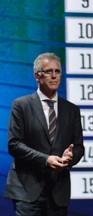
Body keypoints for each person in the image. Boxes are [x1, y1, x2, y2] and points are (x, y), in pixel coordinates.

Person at [4, 53, 84, 216]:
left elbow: (79, 147)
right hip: (26, 191)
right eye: (48, 71)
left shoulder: (71, 109)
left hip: (58, 192)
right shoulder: (21, 105)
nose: (54, 76)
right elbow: (14, 145)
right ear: (37, 75)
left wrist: (70, 157)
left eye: (58, 71)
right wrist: (46, 160)